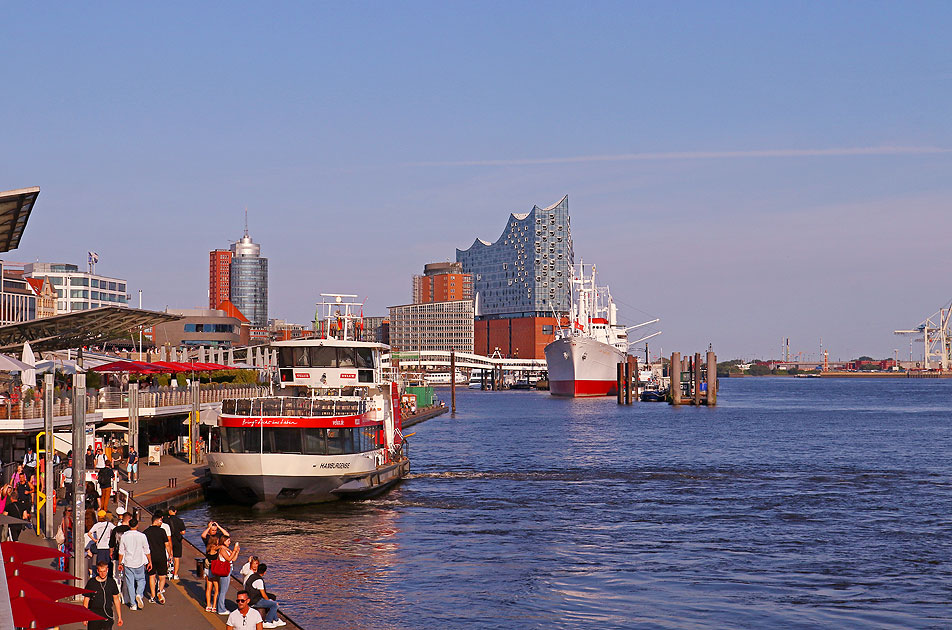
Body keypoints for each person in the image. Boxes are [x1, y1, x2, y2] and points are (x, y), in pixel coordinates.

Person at [118, 517, 150, 610]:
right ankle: (139, 594)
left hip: (128, 562)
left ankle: (133, 604)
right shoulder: (142, 536)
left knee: (130, 583)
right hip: (139, 561)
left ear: (129, 525)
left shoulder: (124, 536)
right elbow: (147, 550)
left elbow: (121, 551)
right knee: (141, 580)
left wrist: (120, 563)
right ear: (137, 525)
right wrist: (149, 561)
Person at [83, 560, 123, 629]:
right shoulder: (91, 582)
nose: (102, 574)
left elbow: (116, 599)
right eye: (100, 571)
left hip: (107, 613)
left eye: (104, 571)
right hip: (94, 613)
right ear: (97, 571)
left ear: (107, 570)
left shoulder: (111, 582)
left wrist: (119, 616)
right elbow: (86, 600)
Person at [244, 563, 284, 628]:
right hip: (254, 601)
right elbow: (263, 594)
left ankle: (276, 620)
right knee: (274, 604)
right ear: (264, 572)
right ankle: (267, 621)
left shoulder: (252, 576)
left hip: (250, 598)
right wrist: (269, 601)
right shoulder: (259, 580)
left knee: (272, 597)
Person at [143, 513, 170, 604]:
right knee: (162, 576)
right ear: (157, 520)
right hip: (161, 556)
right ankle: (160, 591)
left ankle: (152, 596)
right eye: (160, 521)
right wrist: (170, 554)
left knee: (151, 576)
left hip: (150, 558)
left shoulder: (146, 532)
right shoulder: (162, 531)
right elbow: (167, 544)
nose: (161, 522)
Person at [215, 534, 241, 615]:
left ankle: (220, 607)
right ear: (224, 541)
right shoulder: (222, 550)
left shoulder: (227, 550)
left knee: (224, 590)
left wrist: (236, 552)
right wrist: (234, 550)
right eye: (228, 541)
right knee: (223, 590)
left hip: (228, 570)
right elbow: (228, 559)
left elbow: (233, 559)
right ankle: (221, 609)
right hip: (224, 570)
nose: (229, 542)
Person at [164, 505, 186, 580]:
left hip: (168, 540)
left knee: (169, 556)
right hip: (177, 540)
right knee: (176, 558)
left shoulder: (166, 520)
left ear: (169, 511)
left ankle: (168, 572)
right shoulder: (180, 521)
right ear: (175, 511)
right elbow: (183, 532)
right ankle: (175, 574)